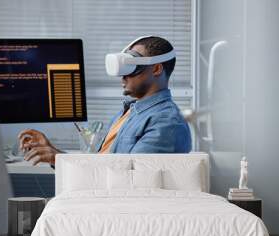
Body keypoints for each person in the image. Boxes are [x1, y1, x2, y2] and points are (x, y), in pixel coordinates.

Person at [18, 36, 191, 167]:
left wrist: (57, 158)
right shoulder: (128, 112)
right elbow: (100, 165)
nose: (122, 76)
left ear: (156, 68)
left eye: (131, 66)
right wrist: (56, 154)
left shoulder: (166, 123)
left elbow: (129, 180)